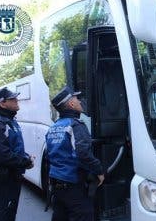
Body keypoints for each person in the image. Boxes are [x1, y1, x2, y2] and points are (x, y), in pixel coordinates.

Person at [46, 86, 105, 221]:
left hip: (57, 184)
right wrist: (99, 171)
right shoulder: (76, 125)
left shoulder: (54, 127)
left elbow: (51, 154)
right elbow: (83, 153)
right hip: (73, 186)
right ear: (71, 104)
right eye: (77, 99)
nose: (79, 101)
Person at [0, 87, 34, 221]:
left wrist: (26, 157)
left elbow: (14, 149)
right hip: (2, 177)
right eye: (12, 99)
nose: (17, 100)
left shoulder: (10, 122)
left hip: (11, 175)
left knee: (10, 212)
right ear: (2, 104)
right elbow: (2, 155)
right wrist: (25, 162)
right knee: (3, 213)